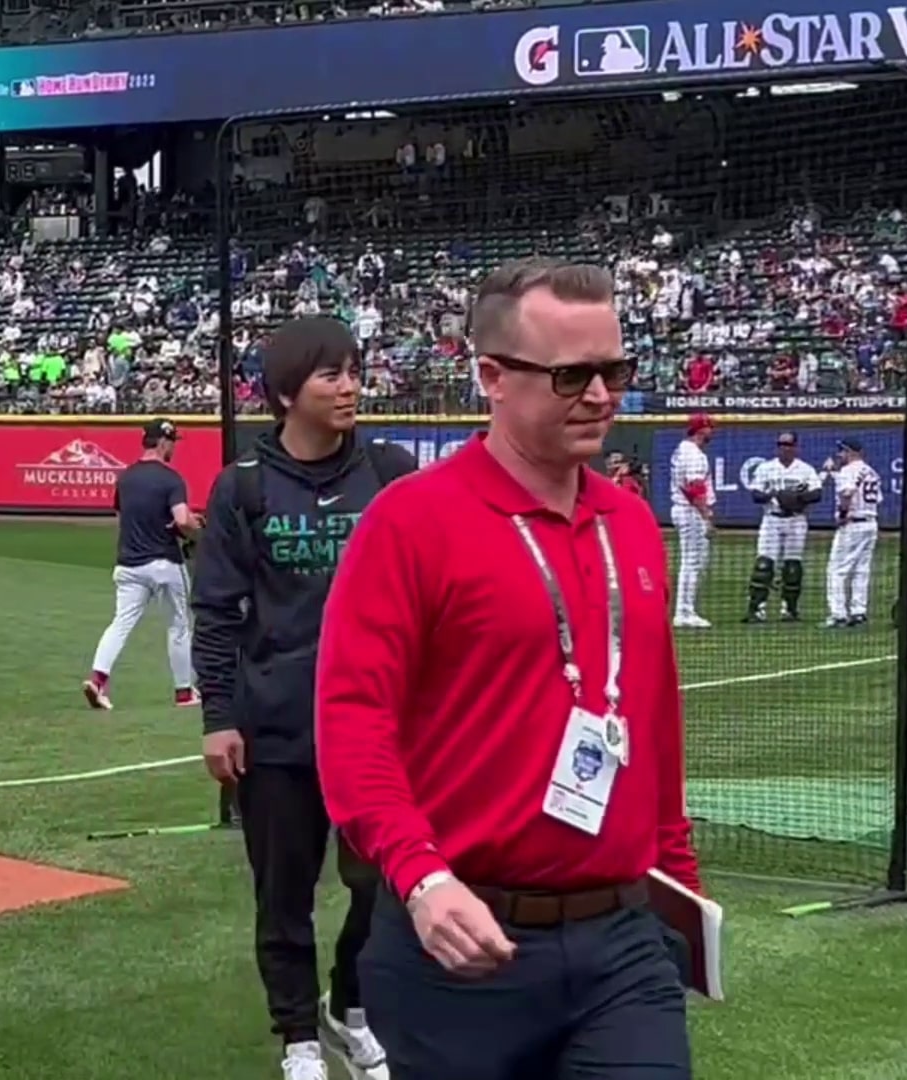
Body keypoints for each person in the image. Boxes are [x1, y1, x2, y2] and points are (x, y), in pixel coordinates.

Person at [314, 259, 702, 1080]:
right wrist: (421, 877)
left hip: (622, 941)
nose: (599, 395)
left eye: (615, 371)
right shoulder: (410, 522)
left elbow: (654, 719)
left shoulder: (631, 524)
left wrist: (681, 894)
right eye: (571, 375)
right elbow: (353, 722)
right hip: (458, 944)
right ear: (491, 377)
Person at [192, 316, 415, 1080]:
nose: (351, 387)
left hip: (380, 729)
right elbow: (216, 612)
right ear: (286, 393)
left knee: (386, 888)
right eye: (331, 375)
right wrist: (218, 718)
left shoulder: (389, 472)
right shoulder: (243, 487)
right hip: (278, 727)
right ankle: (298, 1039)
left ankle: (349, 1007)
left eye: (354, 371)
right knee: (283, 896)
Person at [82, 417, 201, 711]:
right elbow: (182, 520)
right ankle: (184, 692)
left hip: (129, 564)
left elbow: (122, 518)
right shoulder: (170, 479)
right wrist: (197, 531)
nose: (173, 448)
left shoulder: (126, 477)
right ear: (162, 442)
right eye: (172, 442)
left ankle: (97, 680)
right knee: (178, 626)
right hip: (164, 563)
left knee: (120, 623)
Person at [744, 430, 822, 623]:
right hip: (772, 519)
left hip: (796, 520)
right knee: (763, 565)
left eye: (788, 445)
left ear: (795, 447)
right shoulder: (766, 468)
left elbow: (817, 494)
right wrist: (775, 496)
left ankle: (790, 609)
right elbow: (755, 494)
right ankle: (757, 609)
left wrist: (796, 499)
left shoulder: (805, 469)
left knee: (792, 567)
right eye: (781, 444)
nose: (784, 448)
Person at [823, 438, 883, 629]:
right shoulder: (871, 471)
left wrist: (842, 514)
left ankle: (838, 614)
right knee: (861, 570)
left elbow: (847, 493)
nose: (839, 455)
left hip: (852, 524)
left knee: (836, 570)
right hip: (870, 523)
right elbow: (877, 499)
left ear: (850, 452)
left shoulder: (848, 471)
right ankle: (859, 612)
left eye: (842, 451)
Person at [669, 413, 716, 629]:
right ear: (701, 430)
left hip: (684, 510)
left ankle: (686, 609)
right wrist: (706, 515)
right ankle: (684, 612)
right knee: (692, 562)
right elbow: (693, 488)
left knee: (695, 561)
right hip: (690, 511)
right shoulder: (694, 454)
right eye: (709, 428)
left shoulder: (683, 449)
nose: (712, 432)